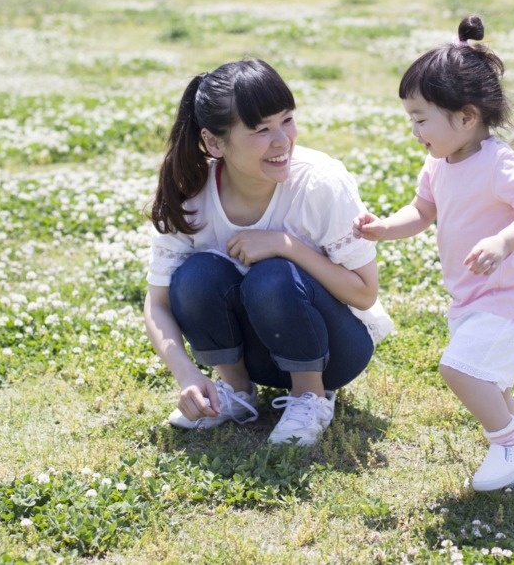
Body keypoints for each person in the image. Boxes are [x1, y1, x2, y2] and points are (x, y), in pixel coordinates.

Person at [144, 59, 393, 447]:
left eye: (287, 120)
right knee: (195, 275)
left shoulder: (320, 182)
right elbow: (157, 304)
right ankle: (236, 391)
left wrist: (285, 245)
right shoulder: (191, 195)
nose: (282, 141)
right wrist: (188, 375)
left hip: (337, 349)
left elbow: (364, 292)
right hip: (259, 350)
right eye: (261, 130)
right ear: (213, 143)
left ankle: (310, 396)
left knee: (273, 274)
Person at [353, 16, 514, 490]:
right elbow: (423, 212)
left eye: (421, 119)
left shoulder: (498, 163)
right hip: (470, 300)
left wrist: (504, 241)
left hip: (509, 301)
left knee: (458, 368)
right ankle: (510, 455)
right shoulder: (438, 162)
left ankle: (510, 443)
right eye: (412, 119)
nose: (415, 130)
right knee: (493, 380)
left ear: (466, 117)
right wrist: (383, 229)